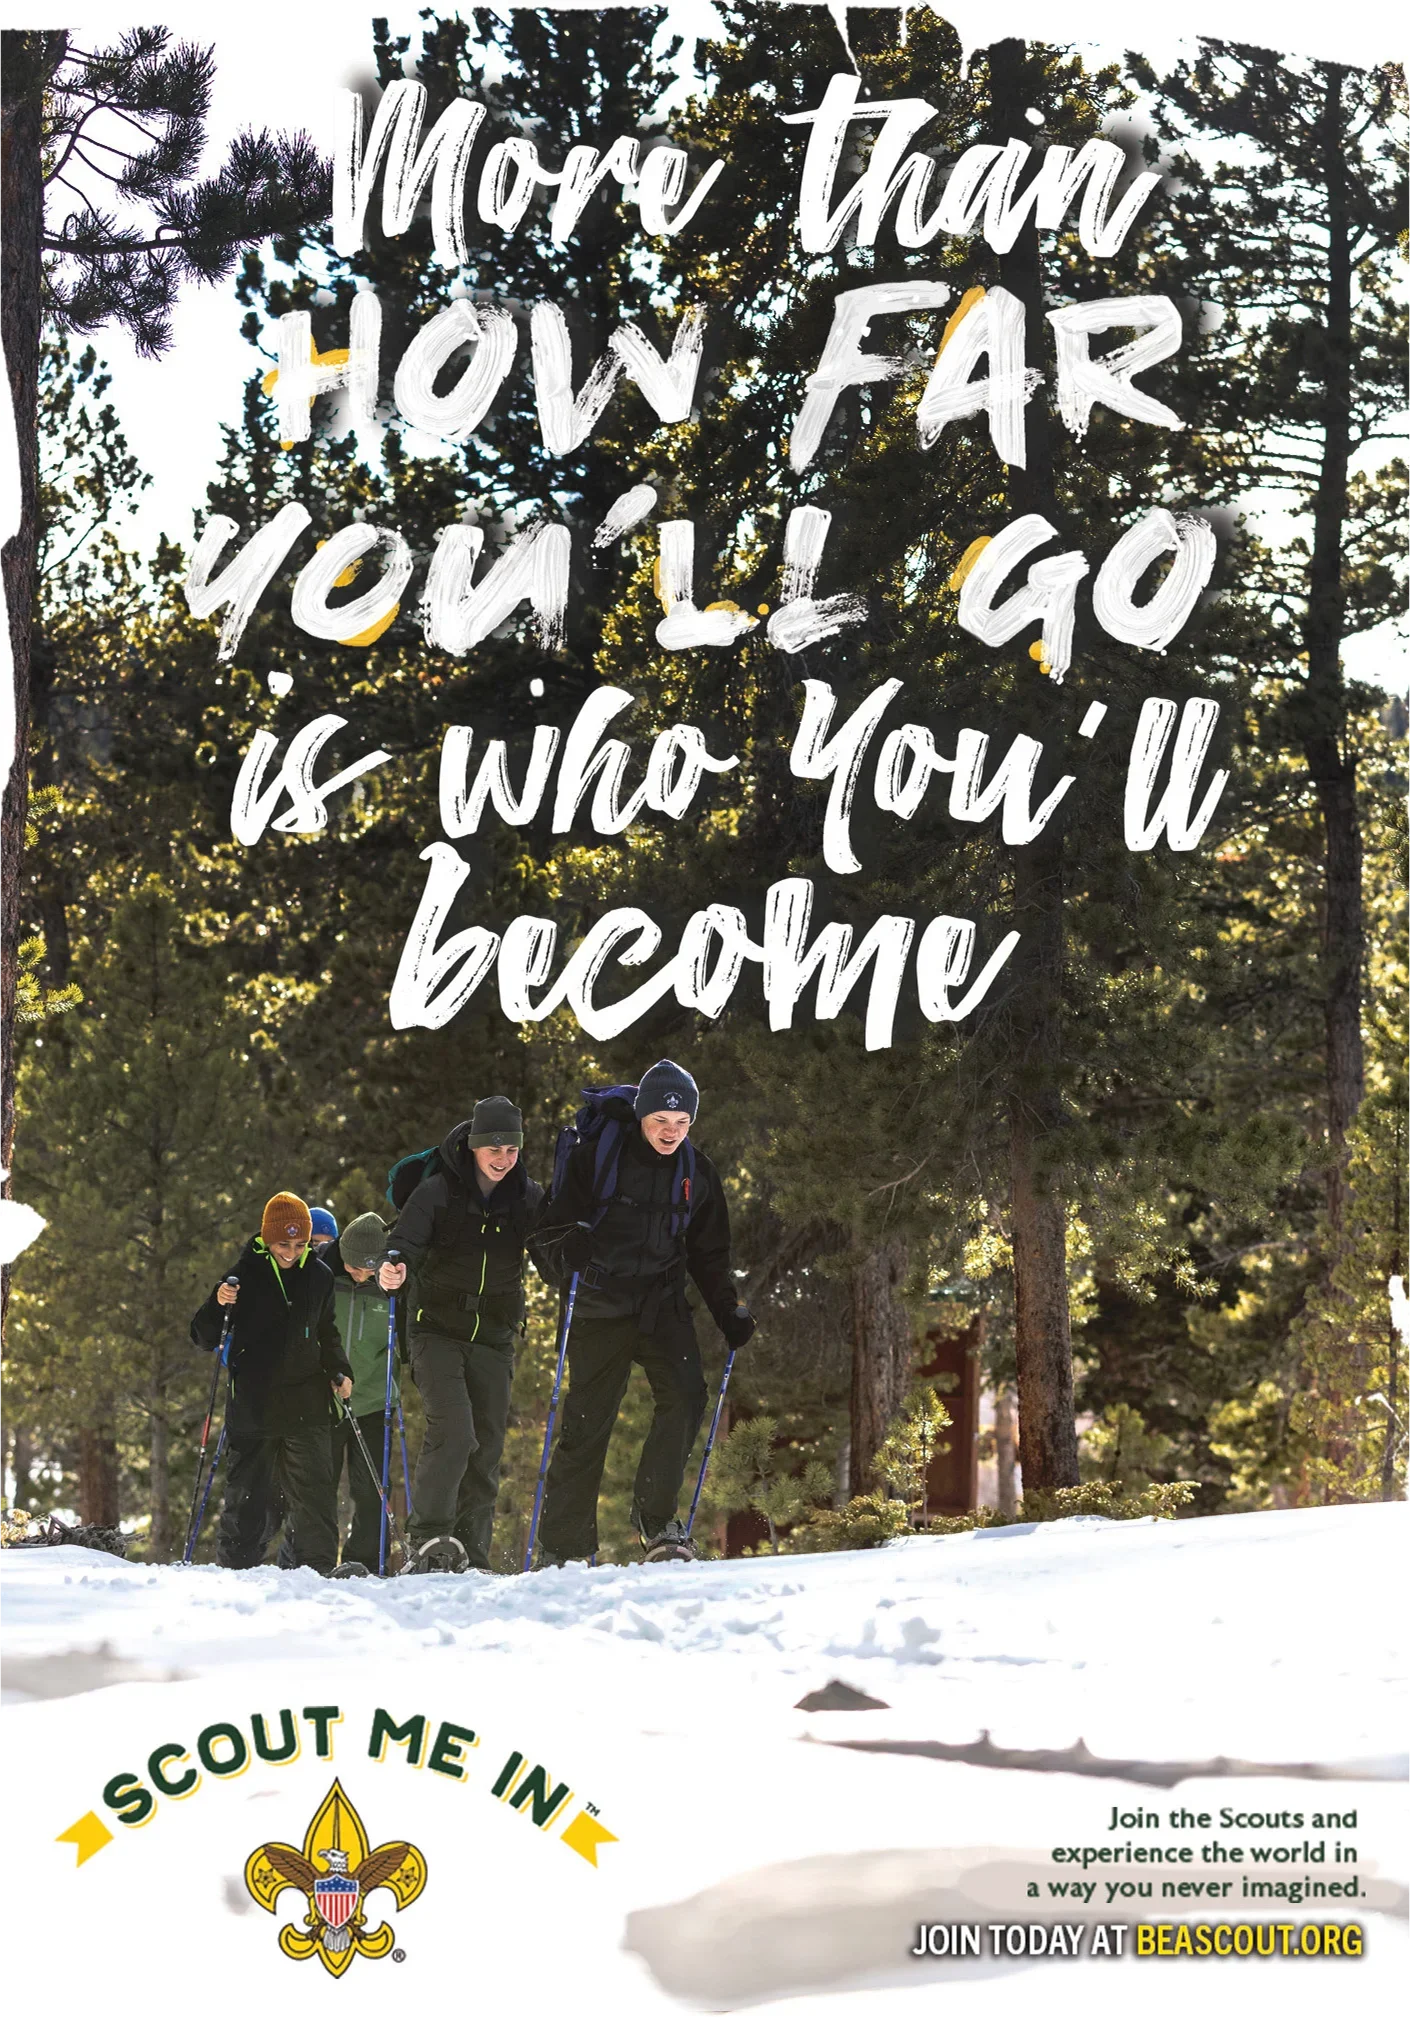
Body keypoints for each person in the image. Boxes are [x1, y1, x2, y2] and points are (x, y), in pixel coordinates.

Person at [532, 1060, 755, 1566]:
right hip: (599, 1305)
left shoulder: (697, 1171)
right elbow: (546, 1232)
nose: (671, 1132)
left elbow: (710, 1254)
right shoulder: (595, 1157)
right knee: (588, 1423)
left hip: (660, 1304)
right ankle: (563, 1548)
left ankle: (657, 1522)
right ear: (641, 1116)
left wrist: (729, 1311)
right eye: (660, 1121)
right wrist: (566, 1252)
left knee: (686, 1395)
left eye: (682, 1123)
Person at [378, 1097, 544, 1573]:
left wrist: (577, 1252)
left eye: (511, 1148)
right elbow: (402, 1243)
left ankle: (472, 1551)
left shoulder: (526, 1197)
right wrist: (393, 1267)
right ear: (473, 1146)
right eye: (493, 1147)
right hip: (435, 1330)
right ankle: (428, 1540)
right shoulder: (437, 1191)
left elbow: (552, 1250)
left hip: (494, 1335)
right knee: (454, 1431)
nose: (503, 1158)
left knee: (487, 1445)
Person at [190, 1192, 352, 1574]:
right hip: (255, 1404)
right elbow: (203, 1336)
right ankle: (236, 1571)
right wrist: (218, 1302)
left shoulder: (319, 1276)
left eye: (300, 1244)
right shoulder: (242, 1276)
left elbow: (327, 1332)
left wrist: (340, 1370)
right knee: (248, 1497)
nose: (292, 1253)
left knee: (314, 1495)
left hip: (307, 1402)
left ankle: (318, 1571)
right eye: (284, 1244)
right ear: (267, 1237)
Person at [322, 1211, 404, 1571]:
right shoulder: (323, 1278)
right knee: (317, 1488)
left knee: (372, 1490)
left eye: (367, 1269)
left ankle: (365, 1564)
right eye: (354, 1267)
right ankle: (316, 1561)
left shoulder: (391, 1285)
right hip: (324, 1400)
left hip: (372, 1401)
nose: (360, 1275)